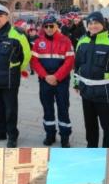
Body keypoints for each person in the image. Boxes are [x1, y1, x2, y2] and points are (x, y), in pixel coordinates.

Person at [74, 12, 109, 148]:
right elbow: (77, 66)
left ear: (103, 24)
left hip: (104, 94)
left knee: (108, 129)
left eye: (96, 23)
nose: (93, 26)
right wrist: (76, 84)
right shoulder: (82, 41)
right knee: (90, 127)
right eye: (90, 23)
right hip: (86, 93)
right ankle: (91, 147)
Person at [0, 3, 31, 147]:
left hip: (9, 80)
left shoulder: (17, 34)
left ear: (7, 17)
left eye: (1, 15)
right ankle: (0, 132)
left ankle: (12, 136)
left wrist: (15, 69)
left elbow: (27, 55)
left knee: (10, 109)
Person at [30, 15, 75, 147]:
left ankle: (65, 137)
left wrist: (57, 76)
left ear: (57, 26)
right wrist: (46, 76)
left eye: (51, 26)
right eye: (46, 26)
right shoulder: (39, 42)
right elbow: (34, 61)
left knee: (63, 109)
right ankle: (50, 135)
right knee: (47, 109)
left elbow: (70, 61)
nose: (49, 29)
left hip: (61, 81)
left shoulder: (66, 41)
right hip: (45, 81)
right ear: (43, 27)